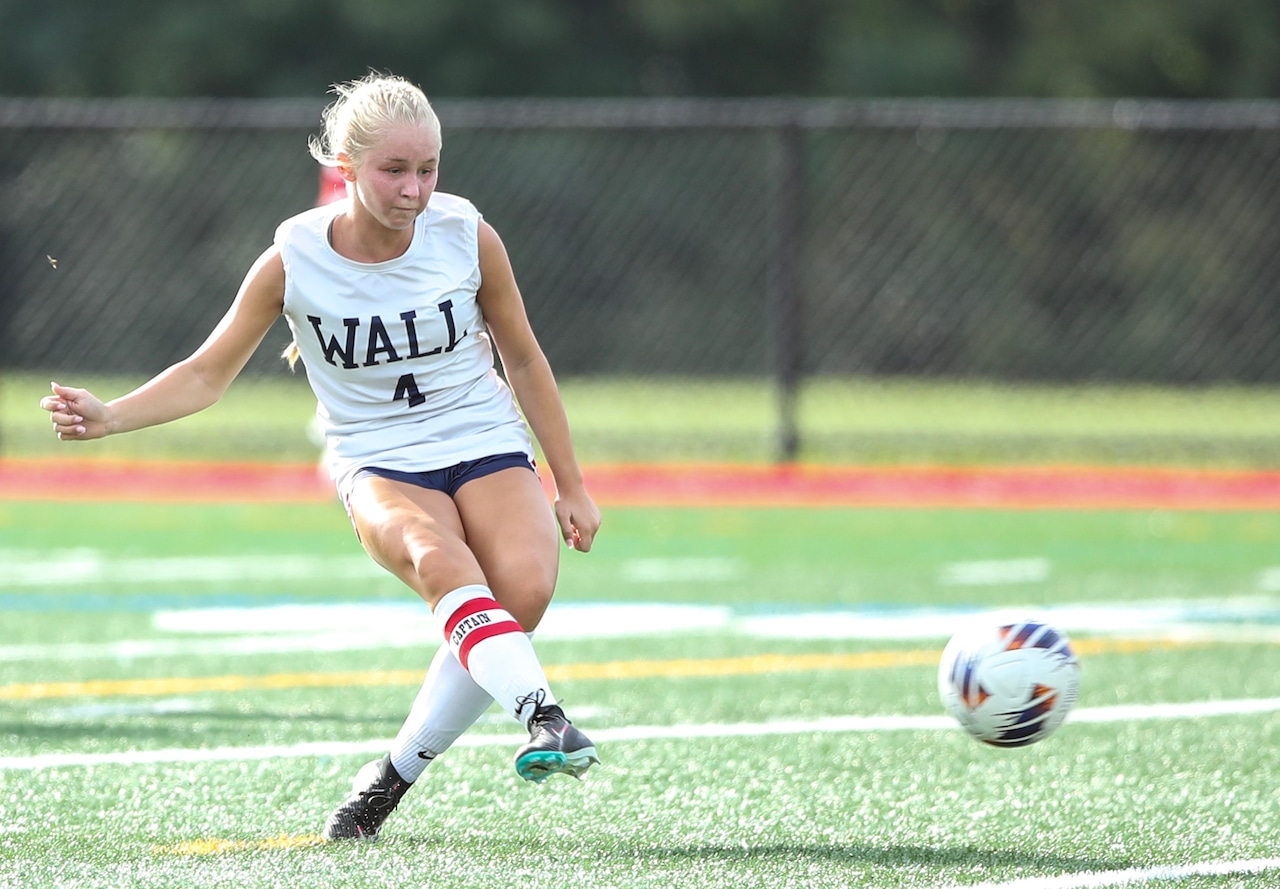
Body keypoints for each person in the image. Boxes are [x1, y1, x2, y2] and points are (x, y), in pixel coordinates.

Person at [39, 72, 602, 841]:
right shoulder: (293, 257)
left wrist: (570, 482)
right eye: (394, 171)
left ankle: (390, 776)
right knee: (438, 558)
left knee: (525, 591)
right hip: (379, 458)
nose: (414, 190)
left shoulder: (466, 232)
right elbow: (206, 373)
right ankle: (546, 717)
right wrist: (111, 417)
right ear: (345, 162)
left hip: (483, 438)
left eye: (429, 169)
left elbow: (525, 360)